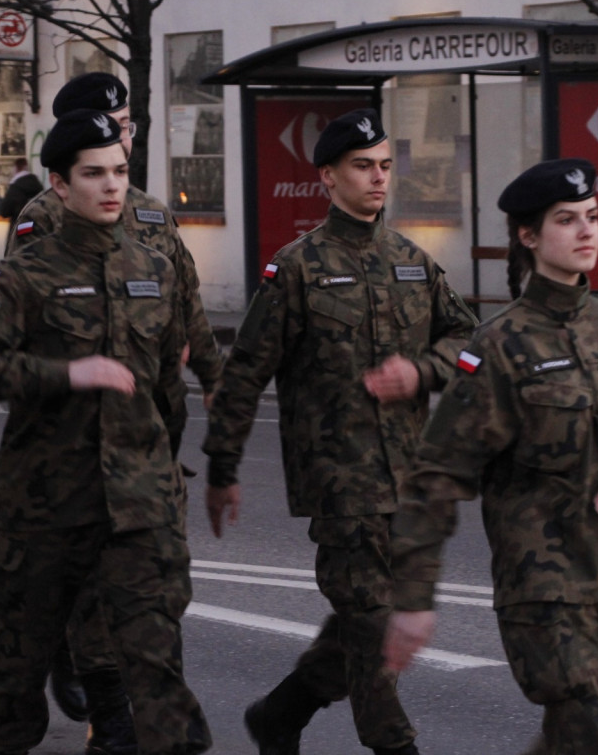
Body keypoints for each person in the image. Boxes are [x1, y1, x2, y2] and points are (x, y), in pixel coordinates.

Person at [383, 158, 598, 755]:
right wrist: (414, 600)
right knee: (595, 734)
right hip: (543, 591)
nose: (587, 230)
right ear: (529, 235)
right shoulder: (500, 346)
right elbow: (436, 476)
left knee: (588, 729)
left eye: (592, 216)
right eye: (567, 220)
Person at [203, 107, 478, 755]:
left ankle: (282, 712)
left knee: (369, 619)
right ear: (328, 176)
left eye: (384, 165)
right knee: (375, 629)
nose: (378, 178)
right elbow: (244, 375)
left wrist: (422, 371)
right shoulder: (297, 268)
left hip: (408, 479)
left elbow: (469, 344)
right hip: (340, 486)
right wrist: (222, 467)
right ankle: (395, 746)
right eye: (362, 166)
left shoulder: (412, 262)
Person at [0, 108, 211, 755]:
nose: (111, 186)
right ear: (60, 183)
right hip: (44, 510)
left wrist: (169, 476)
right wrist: (66, 374)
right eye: (94, 173)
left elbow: (166, 391)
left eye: (119, 171)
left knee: (151, 669)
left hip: (135, 511)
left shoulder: (155, 271)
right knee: (17, 679)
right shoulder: (22, 277)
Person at [0, 157, 44, 235]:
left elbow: (4, 212)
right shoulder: (38, 186)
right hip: (37, 229)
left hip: (20, 229)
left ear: (16, 169)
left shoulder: (15, 187)